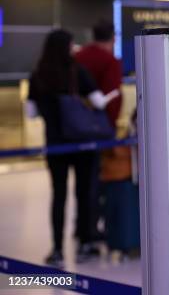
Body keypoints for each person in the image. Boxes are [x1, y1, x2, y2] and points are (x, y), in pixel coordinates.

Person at [28, 30, 117, 267]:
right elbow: (99, 102)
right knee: (84, 193)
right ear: (67, 47)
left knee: (58, 196)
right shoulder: (76, 72)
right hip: (81, 143)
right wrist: (112, 95)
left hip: (55, 144)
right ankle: (85, 244)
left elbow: (31, 113)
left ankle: (56, 249)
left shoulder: (38, 75)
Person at [75, 20, 123, 242]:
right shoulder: (110, 61)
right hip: (100, 130)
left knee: (81, 182)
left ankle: (81, 226)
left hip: (74, 129)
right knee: (98, 182)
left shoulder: (77, 57)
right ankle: (93, 229)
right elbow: (112, 97)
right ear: (113, 38)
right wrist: (110, 129)